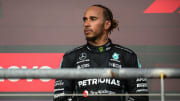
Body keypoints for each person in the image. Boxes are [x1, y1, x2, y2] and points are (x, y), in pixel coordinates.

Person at [54, 4, 149, 101]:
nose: (86, 24)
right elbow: (60, 98)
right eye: (85, 19)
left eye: (93, 19)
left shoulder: (127, 56)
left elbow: (140, 97)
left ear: (107, 24)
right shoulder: (71, 57)